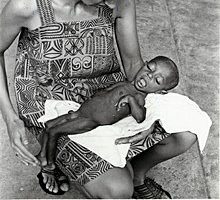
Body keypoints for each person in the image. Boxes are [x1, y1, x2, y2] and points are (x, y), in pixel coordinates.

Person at [0, 0, 197, 199]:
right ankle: (72, 166)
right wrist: (10, 120)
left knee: (184, 132)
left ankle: (135, 173)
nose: (113, 3)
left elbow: (132, 63)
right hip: (50, 103)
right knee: (118, 190)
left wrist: (150, 117)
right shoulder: (28, 3)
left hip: (107, 94)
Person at [37, 55, 179, 178]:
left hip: (90, 120)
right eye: (149, 67)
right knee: (49, 125)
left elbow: (140, 117)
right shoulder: (126, 83)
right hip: (80, 111)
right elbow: (104, 93)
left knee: (54, 131)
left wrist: (130, 100)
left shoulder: (138, 97)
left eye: (157, 80)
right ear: (144, 64)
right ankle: (43, 154)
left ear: (160, 92)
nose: (149, 75)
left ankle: (49, 164)